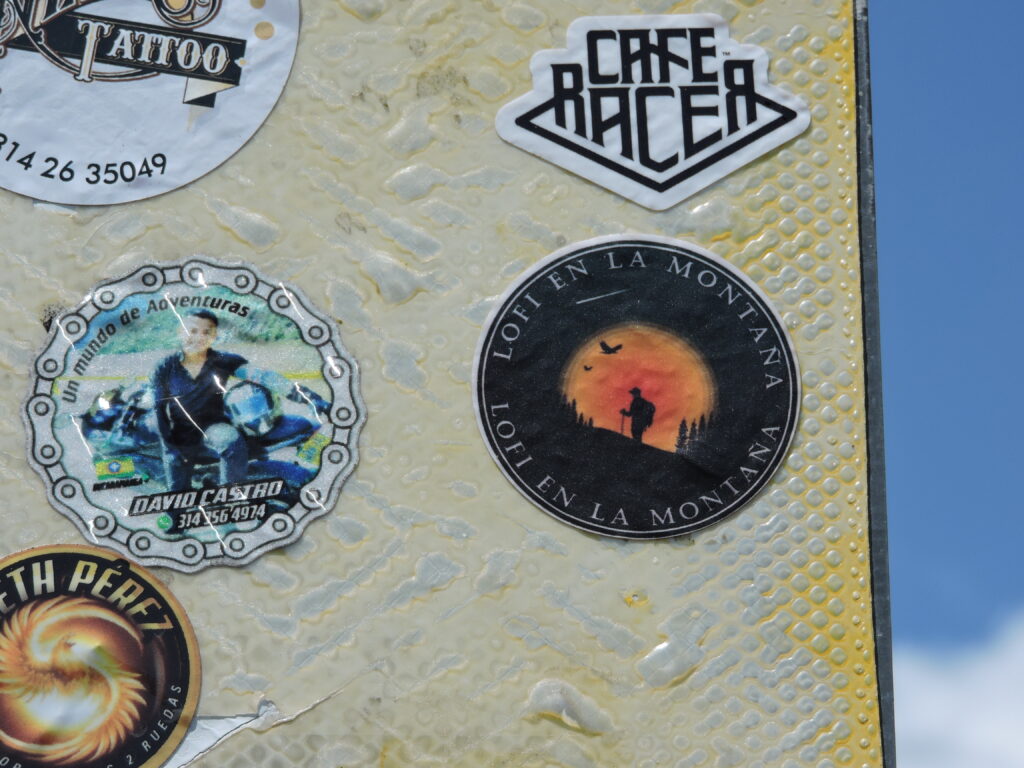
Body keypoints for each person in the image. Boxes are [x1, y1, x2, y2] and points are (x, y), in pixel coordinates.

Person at [151, 310, 328, 491]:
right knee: (177, 496)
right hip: (178, 432)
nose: (199, 337)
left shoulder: (224, 360)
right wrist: (170, 448)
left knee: (231, 441)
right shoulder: (164, 366)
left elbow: (265, 377)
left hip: (213, 426)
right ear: (180, 331)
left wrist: (310, 397)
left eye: (207, 332)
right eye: (193, 331)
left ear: (214, 335)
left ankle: (230, 495)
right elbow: (159, 409)